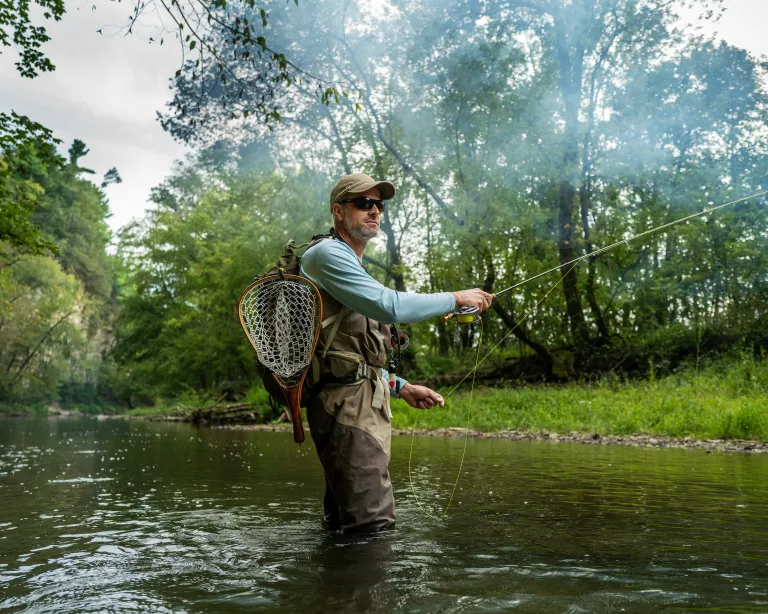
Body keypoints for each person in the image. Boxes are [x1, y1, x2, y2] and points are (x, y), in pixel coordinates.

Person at [300, 172, 494, 532]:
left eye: (379, 205)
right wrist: (455, 298)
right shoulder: (327, 254)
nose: (375, 211)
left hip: (357, 405)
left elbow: (352, 357)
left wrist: (401, 387)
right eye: (364, 203)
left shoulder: (351, 265)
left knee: (344, 523)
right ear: (338, 212)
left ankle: (334, 571)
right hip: (345, 409)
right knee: (372, 527)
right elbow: (390, 306)